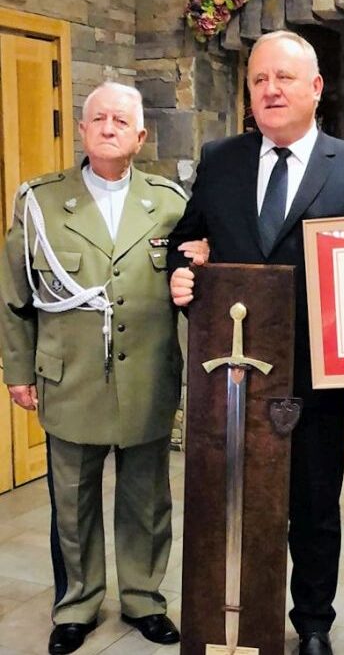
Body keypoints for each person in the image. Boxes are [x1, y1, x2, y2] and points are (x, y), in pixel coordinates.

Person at [167, 30, 344, 655]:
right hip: (232, 377)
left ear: (316, 87)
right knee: (232, 499)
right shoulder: (220, 159)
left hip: (315, 378)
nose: (270, 90)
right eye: (259, 80)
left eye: (284, 78)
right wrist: (181, 271)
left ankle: (314, 624)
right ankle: (238, 618)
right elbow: (186, 242)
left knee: (314, 506)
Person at [0, 82, 206, 655]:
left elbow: (194, 287)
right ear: (82, 130)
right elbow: (14, 297)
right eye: (98, 119)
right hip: (70, 379)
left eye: (121, 120)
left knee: (148, 499)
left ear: (140, 136)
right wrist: (17, 371)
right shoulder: (41, 202)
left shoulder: (170, 203)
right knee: (73, 501)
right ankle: (78, 604)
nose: (109, 127)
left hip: (147, 378)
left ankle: (143, 599)